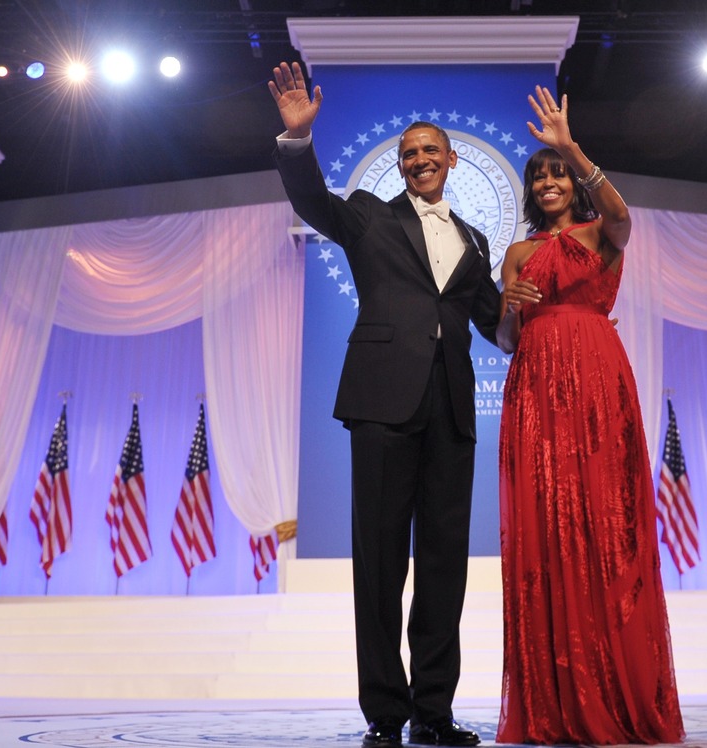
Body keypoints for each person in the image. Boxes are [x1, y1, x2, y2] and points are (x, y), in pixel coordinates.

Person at [268, 61, 500, 748]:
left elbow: (495, 322)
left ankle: (433, 712)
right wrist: (296, 141)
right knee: (378, 565)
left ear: (451, 160)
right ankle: (385, 715)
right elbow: (313, 204)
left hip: (451, 409)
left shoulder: (475, 240)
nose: (419, 159)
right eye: (408, 153)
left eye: (429, 150)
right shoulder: (368, 216)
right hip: (379, 403)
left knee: (442, 567)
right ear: (398, 167)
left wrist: (552, 322)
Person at [495, 86, 685, 745]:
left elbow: (622, 212)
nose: (548, 182)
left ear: (571, 181)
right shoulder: (517, 255)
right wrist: (506, 305)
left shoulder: (602, 231)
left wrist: (569, 145)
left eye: (556, 174)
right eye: (539, 175)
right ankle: (554, 697)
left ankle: (616, 686)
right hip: (533, 390)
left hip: (596, 384)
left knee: (603, 524)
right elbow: (505, 339)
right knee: (547, 527)